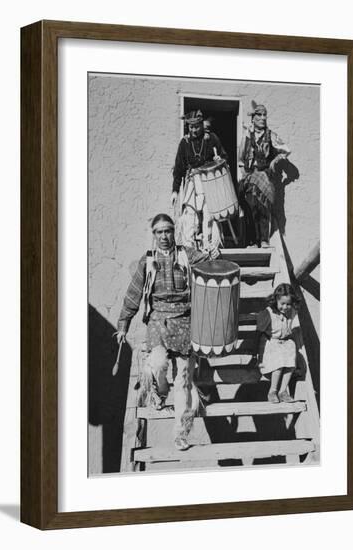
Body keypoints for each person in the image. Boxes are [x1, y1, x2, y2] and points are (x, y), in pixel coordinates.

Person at [116, 213, 219, 451]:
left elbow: (208, 263)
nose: (164, 236)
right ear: (154, 235)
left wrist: (214, 254)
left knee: (183, 380)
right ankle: (160, 391)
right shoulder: (147, 261)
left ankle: (181, 433)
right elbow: (133, 295)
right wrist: (123, 325)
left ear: (174, 232)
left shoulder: (186, 254)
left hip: (185, 321)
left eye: (168, 231)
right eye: (159, 232)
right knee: (158, 364)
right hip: (157, 321)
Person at [171, 110, 228, 248]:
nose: (194, 130)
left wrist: (219, 160)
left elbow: (225, 157)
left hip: (210, 180)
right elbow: (178, 168)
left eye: (197, 126)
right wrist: (175, 191)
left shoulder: (212, 138)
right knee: (190, 215)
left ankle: (211, 246)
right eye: (191, 127)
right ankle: (189, 249)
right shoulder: (184, 143)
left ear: (201, 125)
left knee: (209, 214)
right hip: (192, 182)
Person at [238, 102, 291, 248]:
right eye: (259, 115)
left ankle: (264, 240)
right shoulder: (247, 136)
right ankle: (252, 242)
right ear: (253, 118)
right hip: (251, 176)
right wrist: (245, 175)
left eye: (264, 115)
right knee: (250, 209)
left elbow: (286, 149)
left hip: (265, 177)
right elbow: (241, 159)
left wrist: (275, 160)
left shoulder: (271, 135)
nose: (262, 118)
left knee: (263, 209)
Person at [255, 283, 300, 403]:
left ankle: (283, 391)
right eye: (282, 304)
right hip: (271, 344)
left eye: (288, 304)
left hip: (284, 343)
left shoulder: (292, 312)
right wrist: (256, 355)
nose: (285, 307)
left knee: (291, 357)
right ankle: (273, 391)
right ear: (276, 300)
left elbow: (293, 328)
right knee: (279, 360)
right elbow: (258, 335)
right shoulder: (267, 314)